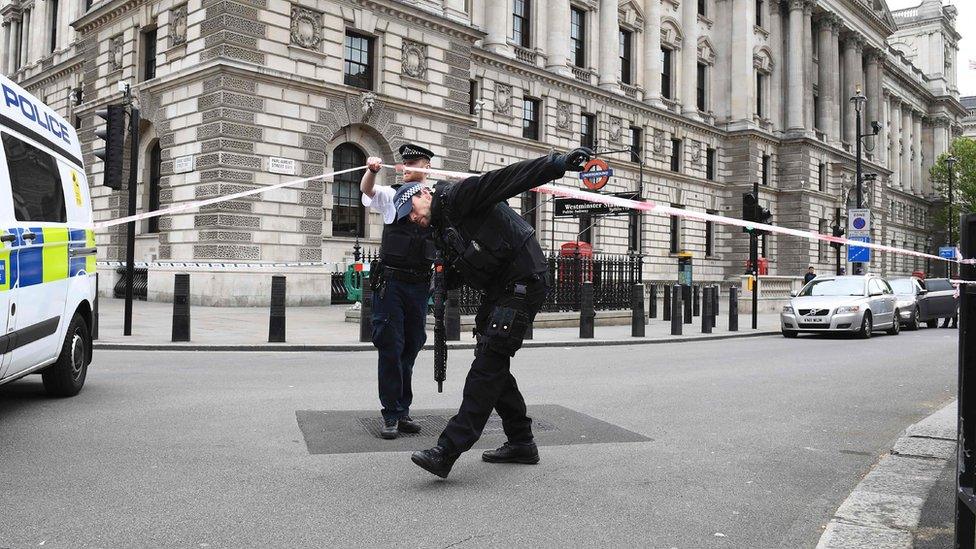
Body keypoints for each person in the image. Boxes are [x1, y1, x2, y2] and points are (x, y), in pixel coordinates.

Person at [392, 147, 592, 478]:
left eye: (409, 209)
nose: (411, 219)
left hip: (524, 278)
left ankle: (447, 449)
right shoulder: (440, 228)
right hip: (500, 288)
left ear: (424, 193)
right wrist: (440, 283)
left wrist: (557, 163)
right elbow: (460, 265)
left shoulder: (458, 197)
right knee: (492, 361)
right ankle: (522, 442)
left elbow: (508, 179)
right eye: (405, 218)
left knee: (487, 364)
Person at [360, 143, 436, 439]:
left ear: (426, 167)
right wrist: (370, 170)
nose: (406, 168)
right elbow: (368, 191)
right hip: (392, 284)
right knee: (391, 347)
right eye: (405, 164)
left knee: (412, 345)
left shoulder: (434, 198)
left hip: (418, 285)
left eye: (413, 163)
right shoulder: (393, 194)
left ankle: (403, 411)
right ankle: (390, 415)